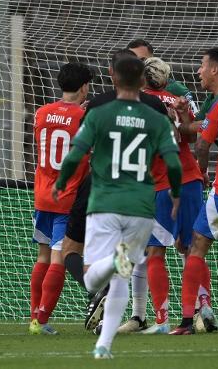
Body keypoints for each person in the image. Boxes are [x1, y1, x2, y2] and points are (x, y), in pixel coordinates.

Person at [53, 56, 182, 359]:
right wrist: (176, 194)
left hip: (104, 198)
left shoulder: (98, 110)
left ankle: (112, 263)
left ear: (112, 75)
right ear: (142, 80)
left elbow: (77, 152)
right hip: (141, 202)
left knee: (92, 275)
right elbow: (173, 160)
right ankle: (103, 346)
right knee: (124, 275)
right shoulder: (155, 115)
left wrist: (61, 182)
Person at [170, 62, 218, 335]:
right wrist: (183, 119)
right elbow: (194, 127)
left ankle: (187, 321)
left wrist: (201, 172)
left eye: (202, 66)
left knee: (196, 245)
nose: (199, 71)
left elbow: (201, 142)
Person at [138, 57, 204, 334]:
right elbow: (191, 138)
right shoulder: (176, 99)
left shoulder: (139, 105)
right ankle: (201, 311)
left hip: (161, 183)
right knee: (193, 249)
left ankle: (162, 320)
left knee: (155, 251)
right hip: (189, 177)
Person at [29, 62, 93, 336]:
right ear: (84, 87)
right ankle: (40, 321)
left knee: (43, 256)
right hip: (67, 196)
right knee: (60, 259)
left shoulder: (41, 113)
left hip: (43, 194)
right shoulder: (84, 116)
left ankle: (34, 315)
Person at [126, 38, 198, 113]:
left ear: (153, 59)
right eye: (133, 61)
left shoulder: (176, 89)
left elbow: (195, 120)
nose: (137, 65)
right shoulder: (125, 89)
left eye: (142, 60)